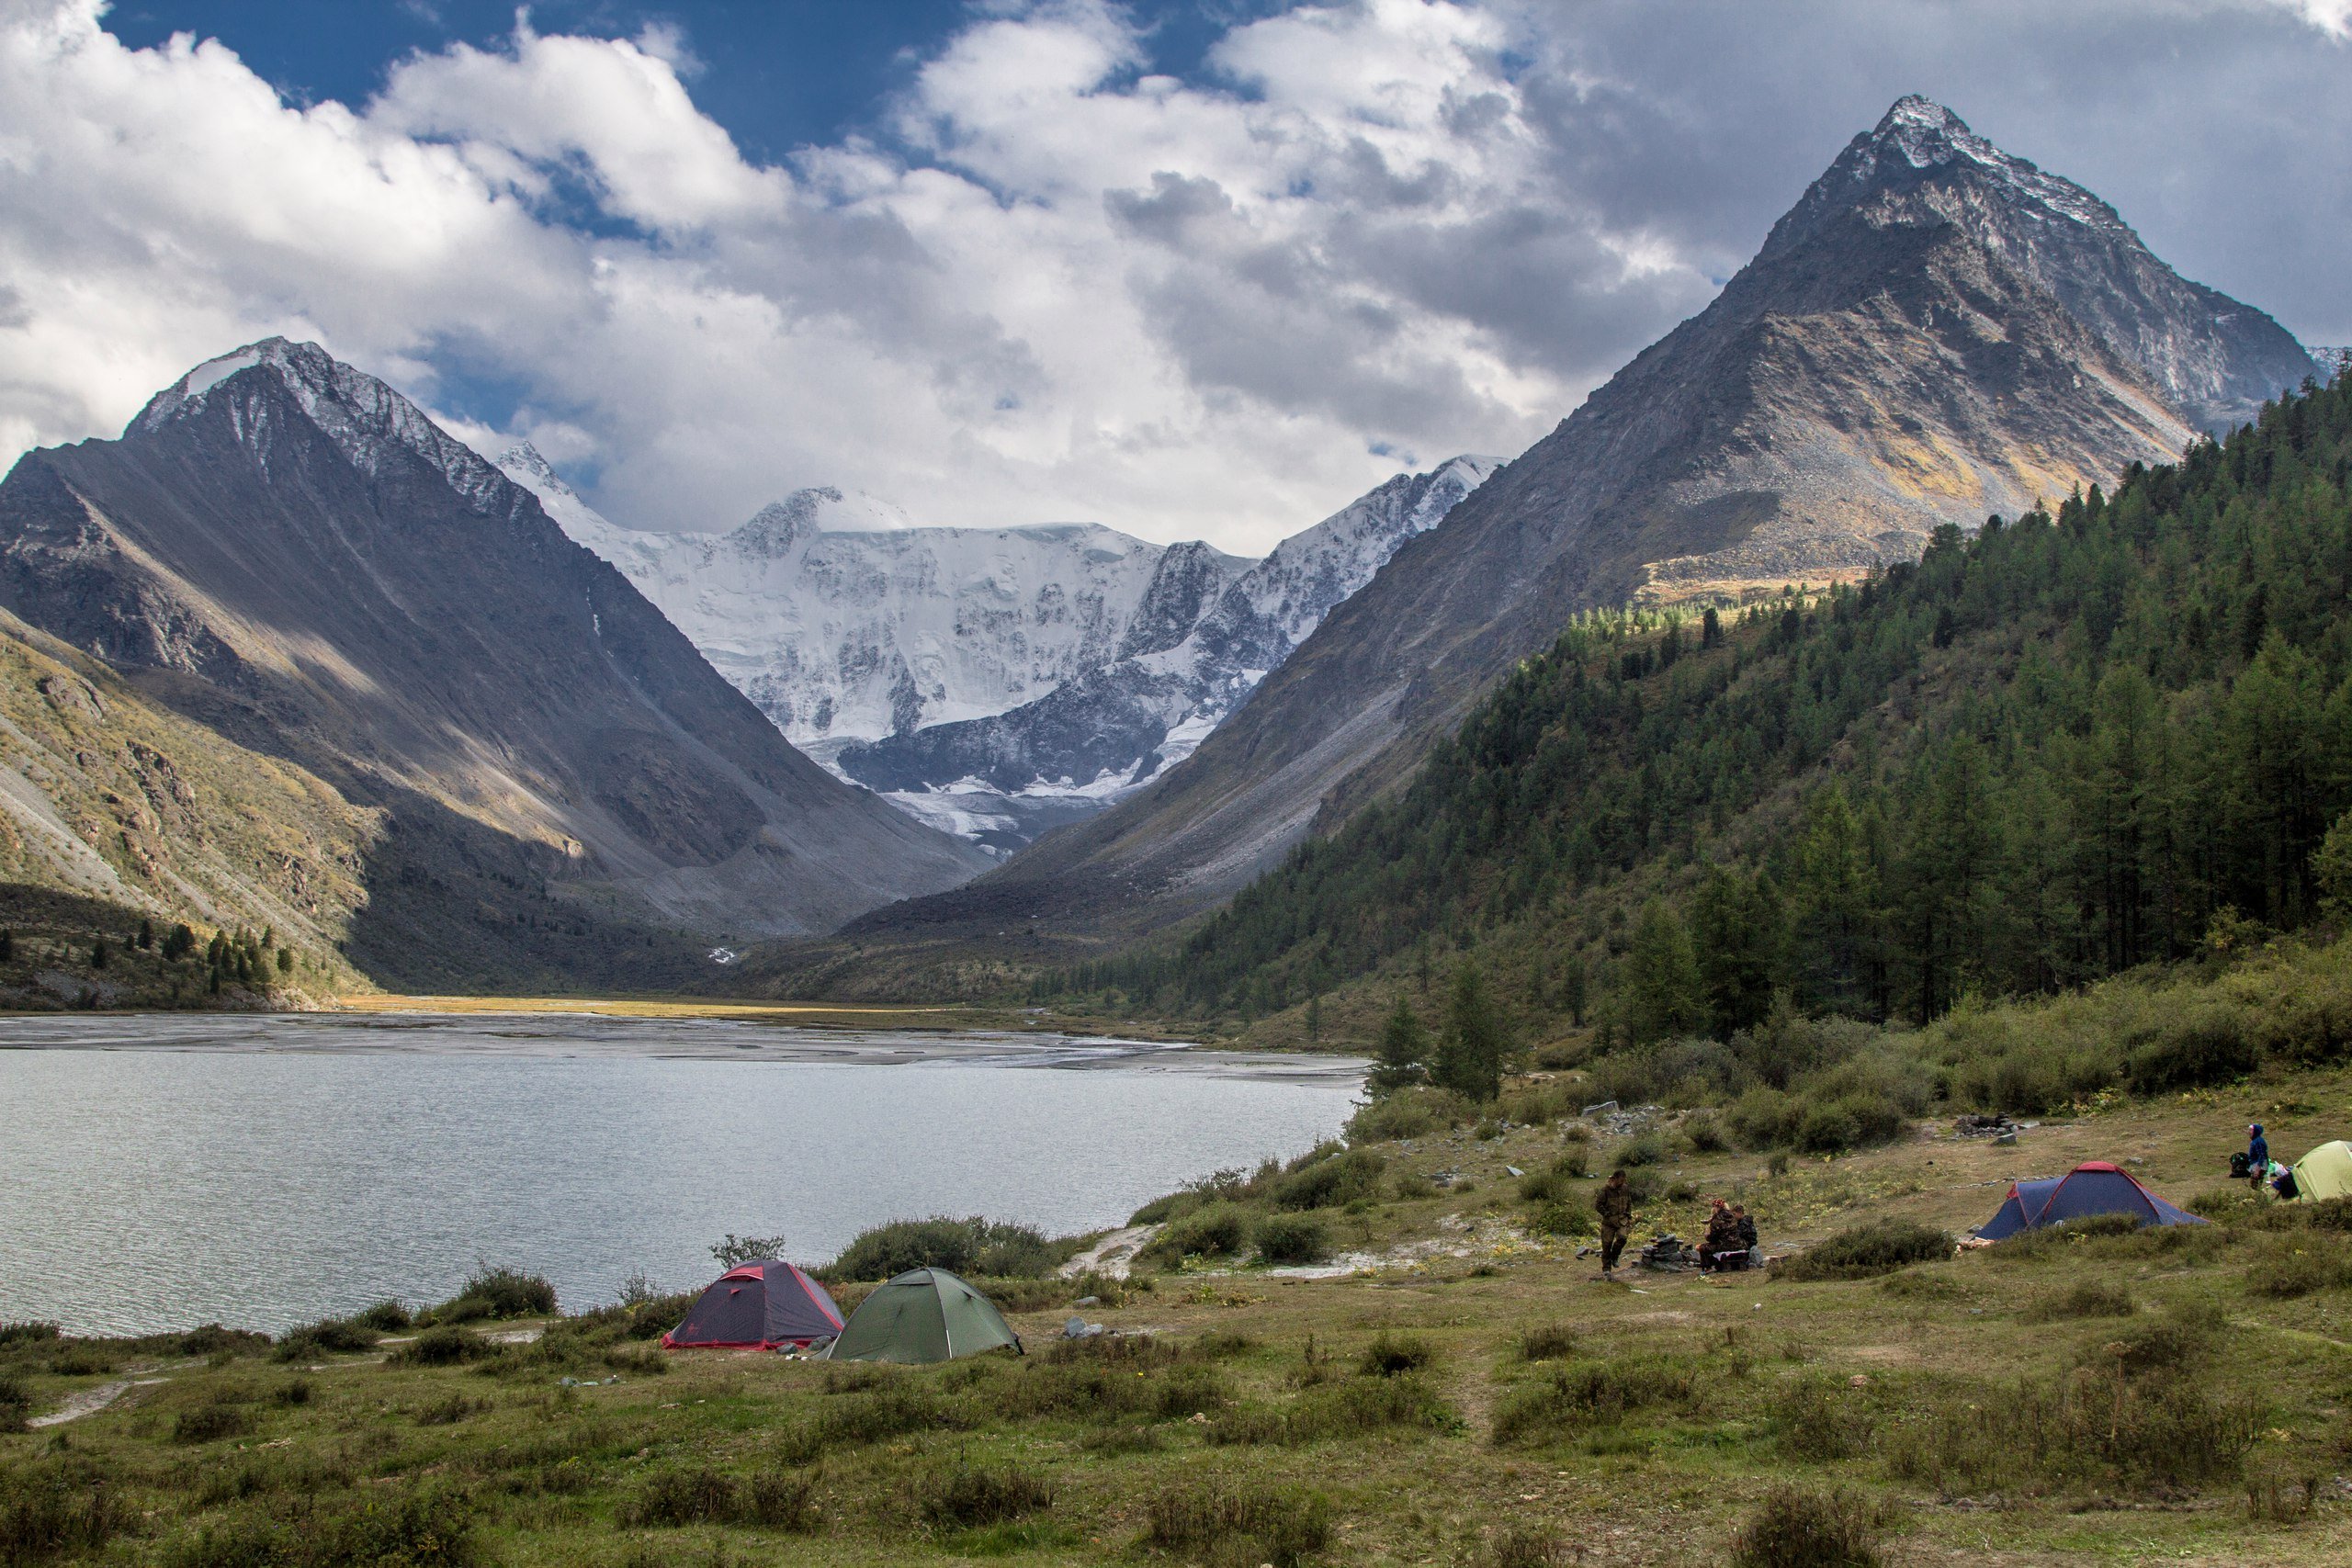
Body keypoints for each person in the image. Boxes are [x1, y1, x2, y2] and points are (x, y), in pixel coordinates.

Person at [1597, 1169, 1634, 1275]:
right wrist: (1606, 1214)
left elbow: (1629, 1202)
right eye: (1621, 1180)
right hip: (1609, 1222)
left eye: (1624, 1180)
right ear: (1615, 1179)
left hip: (1622, 1220)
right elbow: (1598, 1205)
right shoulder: (1605, 1190)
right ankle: (1606, 1269)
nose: (1622, 1182)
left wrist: (1628, 1214)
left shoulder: (1625, 1188)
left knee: (1623, 1238)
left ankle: (1615, 1256)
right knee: (1607, 1245)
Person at [1701, 1198, 1742, 1270]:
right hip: (1737, 1244)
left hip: (1725, 1245)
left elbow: (1713, 1239)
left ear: (1717, 1207)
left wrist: (1707, 1236)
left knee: (1702, 1248)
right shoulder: (1733, 1217)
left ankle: (1708, 1267)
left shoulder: (1716, 1220)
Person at [1733, 1203, 1760, 1269]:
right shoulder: (1744, 1221)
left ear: (1739, 1213)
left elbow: (1739, 1234)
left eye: (1734, 1214)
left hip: (1748, 1244)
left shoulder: (1744, 1223)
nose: (1734, 1216)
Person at [2247, 1123, 2269, 1193]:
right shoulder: (2255, 1140)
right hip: (2256, 1164)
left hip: (2259, 1165)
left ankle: (2259, 1199)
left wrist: (2257, 1170)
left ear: (2256, 1131)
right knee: (2255, 1185)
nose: (2249, 1132)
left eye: (2251, 1130)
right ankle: (2259, 1198)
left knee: (2255, 1185)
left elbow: (2261, 1156)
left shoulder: (2258, 1141)